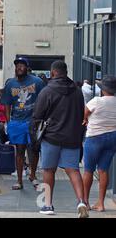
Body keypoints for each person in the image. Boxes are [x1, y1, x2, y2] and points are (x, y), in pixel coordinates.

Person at [33, 60, 88, 218]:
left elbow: (37, 116)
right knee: (73, 170)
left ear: (52, 73)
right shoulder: (77, 91)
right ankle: (81, 202)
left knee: (49, 170)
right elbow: (80, 115)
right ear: (66, 72)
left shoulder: (47, 91)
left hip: (51, 138)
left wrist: (34, 138)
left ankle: (48, 205)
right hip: (72, 138)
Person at [1, 57, 45, 190]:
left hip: (33, 121)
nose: (19, 67)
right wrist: (8, 122)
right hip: (17, 122)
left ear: (27, 68)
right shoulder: (10, 84)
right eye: (17, 65)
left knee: (34, 150)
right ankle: (19, 180)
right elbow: (7, 104)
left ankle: (32, 175)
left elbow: (44, 99)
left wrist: (41, 119)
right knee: (19, 150)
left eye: (22, 65)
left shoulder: (37, 82)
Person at [82, 75, 116, 212]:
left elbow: (85, 113)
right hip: (113, 137)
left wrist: (86, 119)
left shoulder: (96, 101)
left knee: (88, 170)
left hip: (94, 137)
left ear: (103, 89)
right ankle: (101, 203)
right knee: (103, 170)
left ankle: (86, 202)